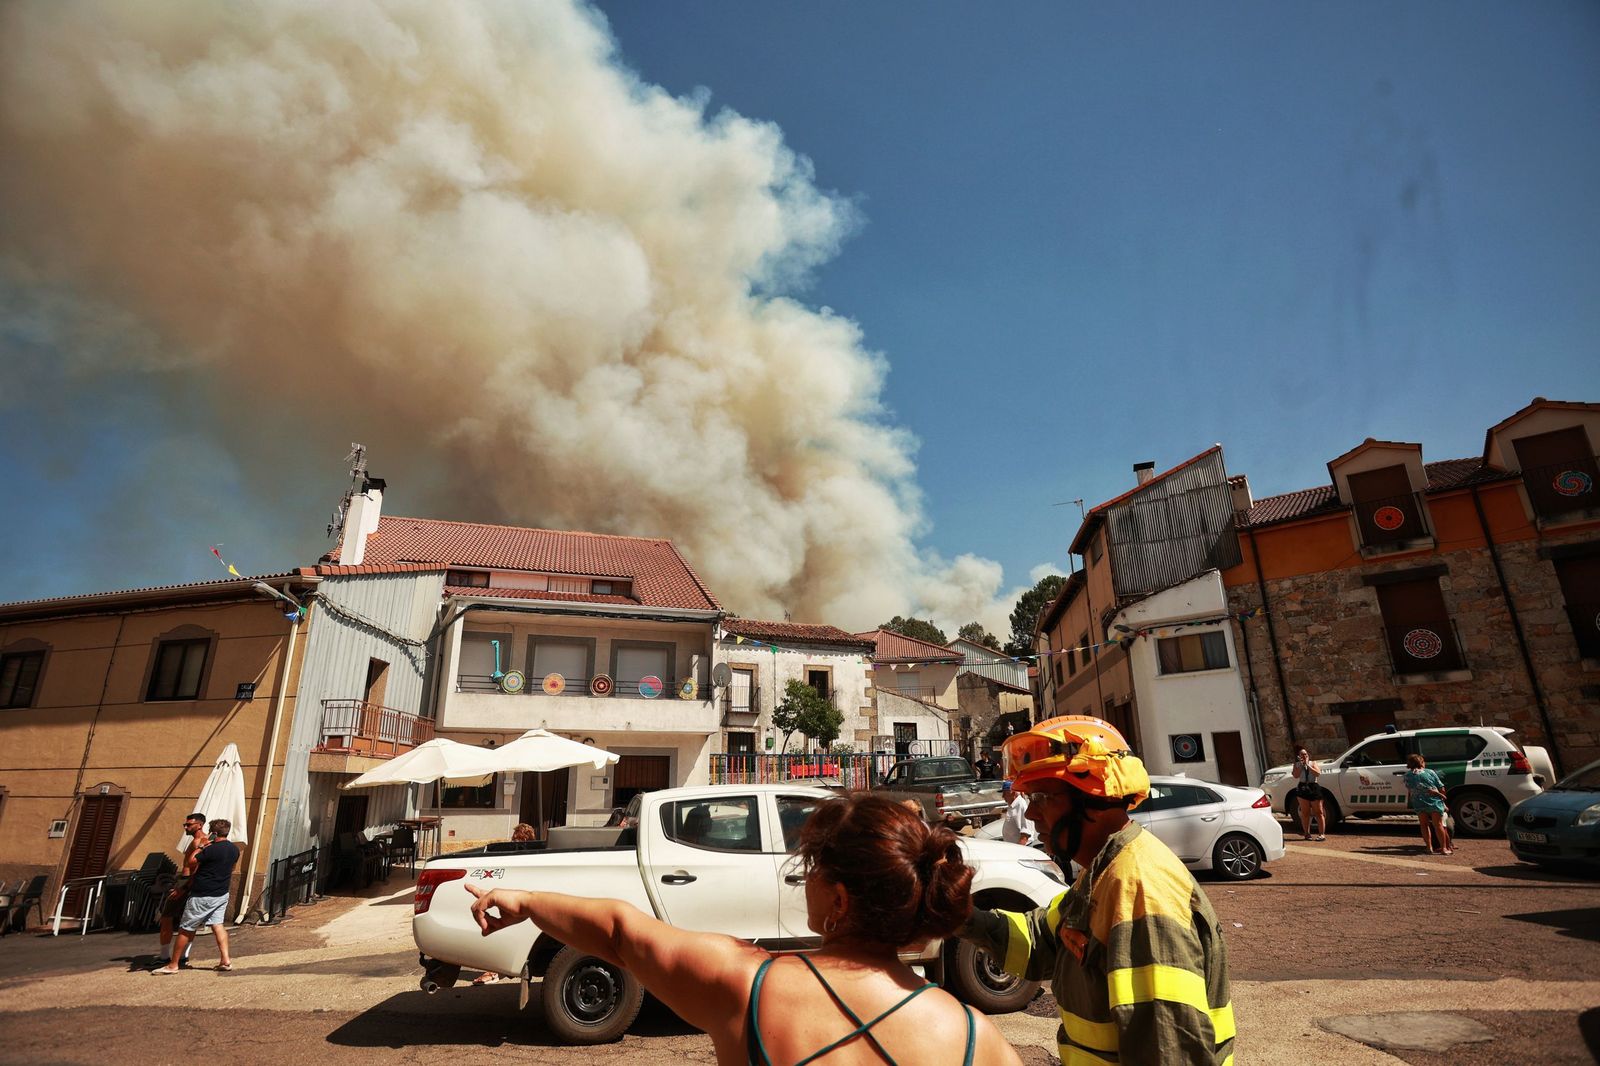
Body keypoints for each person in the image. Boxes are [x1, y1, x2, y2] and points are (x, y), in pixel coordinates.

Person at [465, 794, 1022, 1066]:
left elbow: (620, 932)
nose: (803, 881)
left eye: (811, 870)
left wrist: (530, 900)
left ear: (840, 898)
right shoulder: (976, 1038)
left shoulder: (748, 986)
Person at [957, 715, 1234, 1065]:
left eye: (1042, 796)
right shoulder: (1102, 873)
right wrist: (957, 914)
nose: (1031, 815)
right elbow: (1038, 940)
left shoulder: (1138, 888)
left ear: (1094, 797)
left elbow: (1168, 1051)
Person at [153, 819, 238, 974]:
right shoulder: (234, 849)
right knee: (218, 925)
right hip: (221, 893)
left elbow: (191, 862)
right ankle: (225, 960)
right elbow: (232, 868)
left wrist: (201, 846)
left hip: (203, 894)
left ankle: (173, 964)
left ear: (214, 833)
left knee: (185, 928)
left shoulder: (210, 849)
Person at [158, 812, 209, 966]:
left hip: (186, 881)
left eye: (189, 824)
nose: (186, 827)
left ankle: (165, 956)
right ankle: (183, 956)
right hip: (187, 881)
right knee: (189, 920)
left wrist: (184, 887)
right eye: (185, 825)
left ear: (199, 825)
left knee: (166, 917)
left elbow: (196, 866)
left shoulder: (199, 842)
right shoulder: (198, 841)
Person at [1404, 754, 1453, 855]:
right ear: (1421, 762)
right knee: (1438, 825)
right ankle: (1444, 848)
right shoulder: (1430, 772)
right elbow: (1441, 787)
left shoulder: (1407, 775)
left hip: (1418, 802)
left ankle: (1428, 847)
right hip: (1434, 801)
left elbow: (1410, 790)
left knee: (1424, 825)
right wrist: (1442, 799)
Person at [1292, 747, 1328, 841]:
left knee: (1319, 812)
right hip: (1303, 787)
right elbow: (1296, 775)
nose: (1304, 756)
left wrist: (1308, 765)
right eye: (1302, 754)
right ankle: (1307, 834)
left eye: (1305, 754)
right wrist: (1301, 766)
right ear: (1299, 756)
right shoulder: (1297, 764)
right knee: (1305, 812)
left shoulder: (1313, 763)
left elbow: (1317, 773)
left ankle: (1322, 834)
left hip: (1313, 787)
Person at [999, 781, 1031, 847]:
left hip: (1021, 848)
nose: (1003, 796)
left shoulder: (1021, 805)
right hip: (1013, 847)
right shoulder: (1012, 805)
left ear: (1012, 792)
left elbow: (1025, 833)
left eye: (1005, 793)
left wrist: (1018, 850)